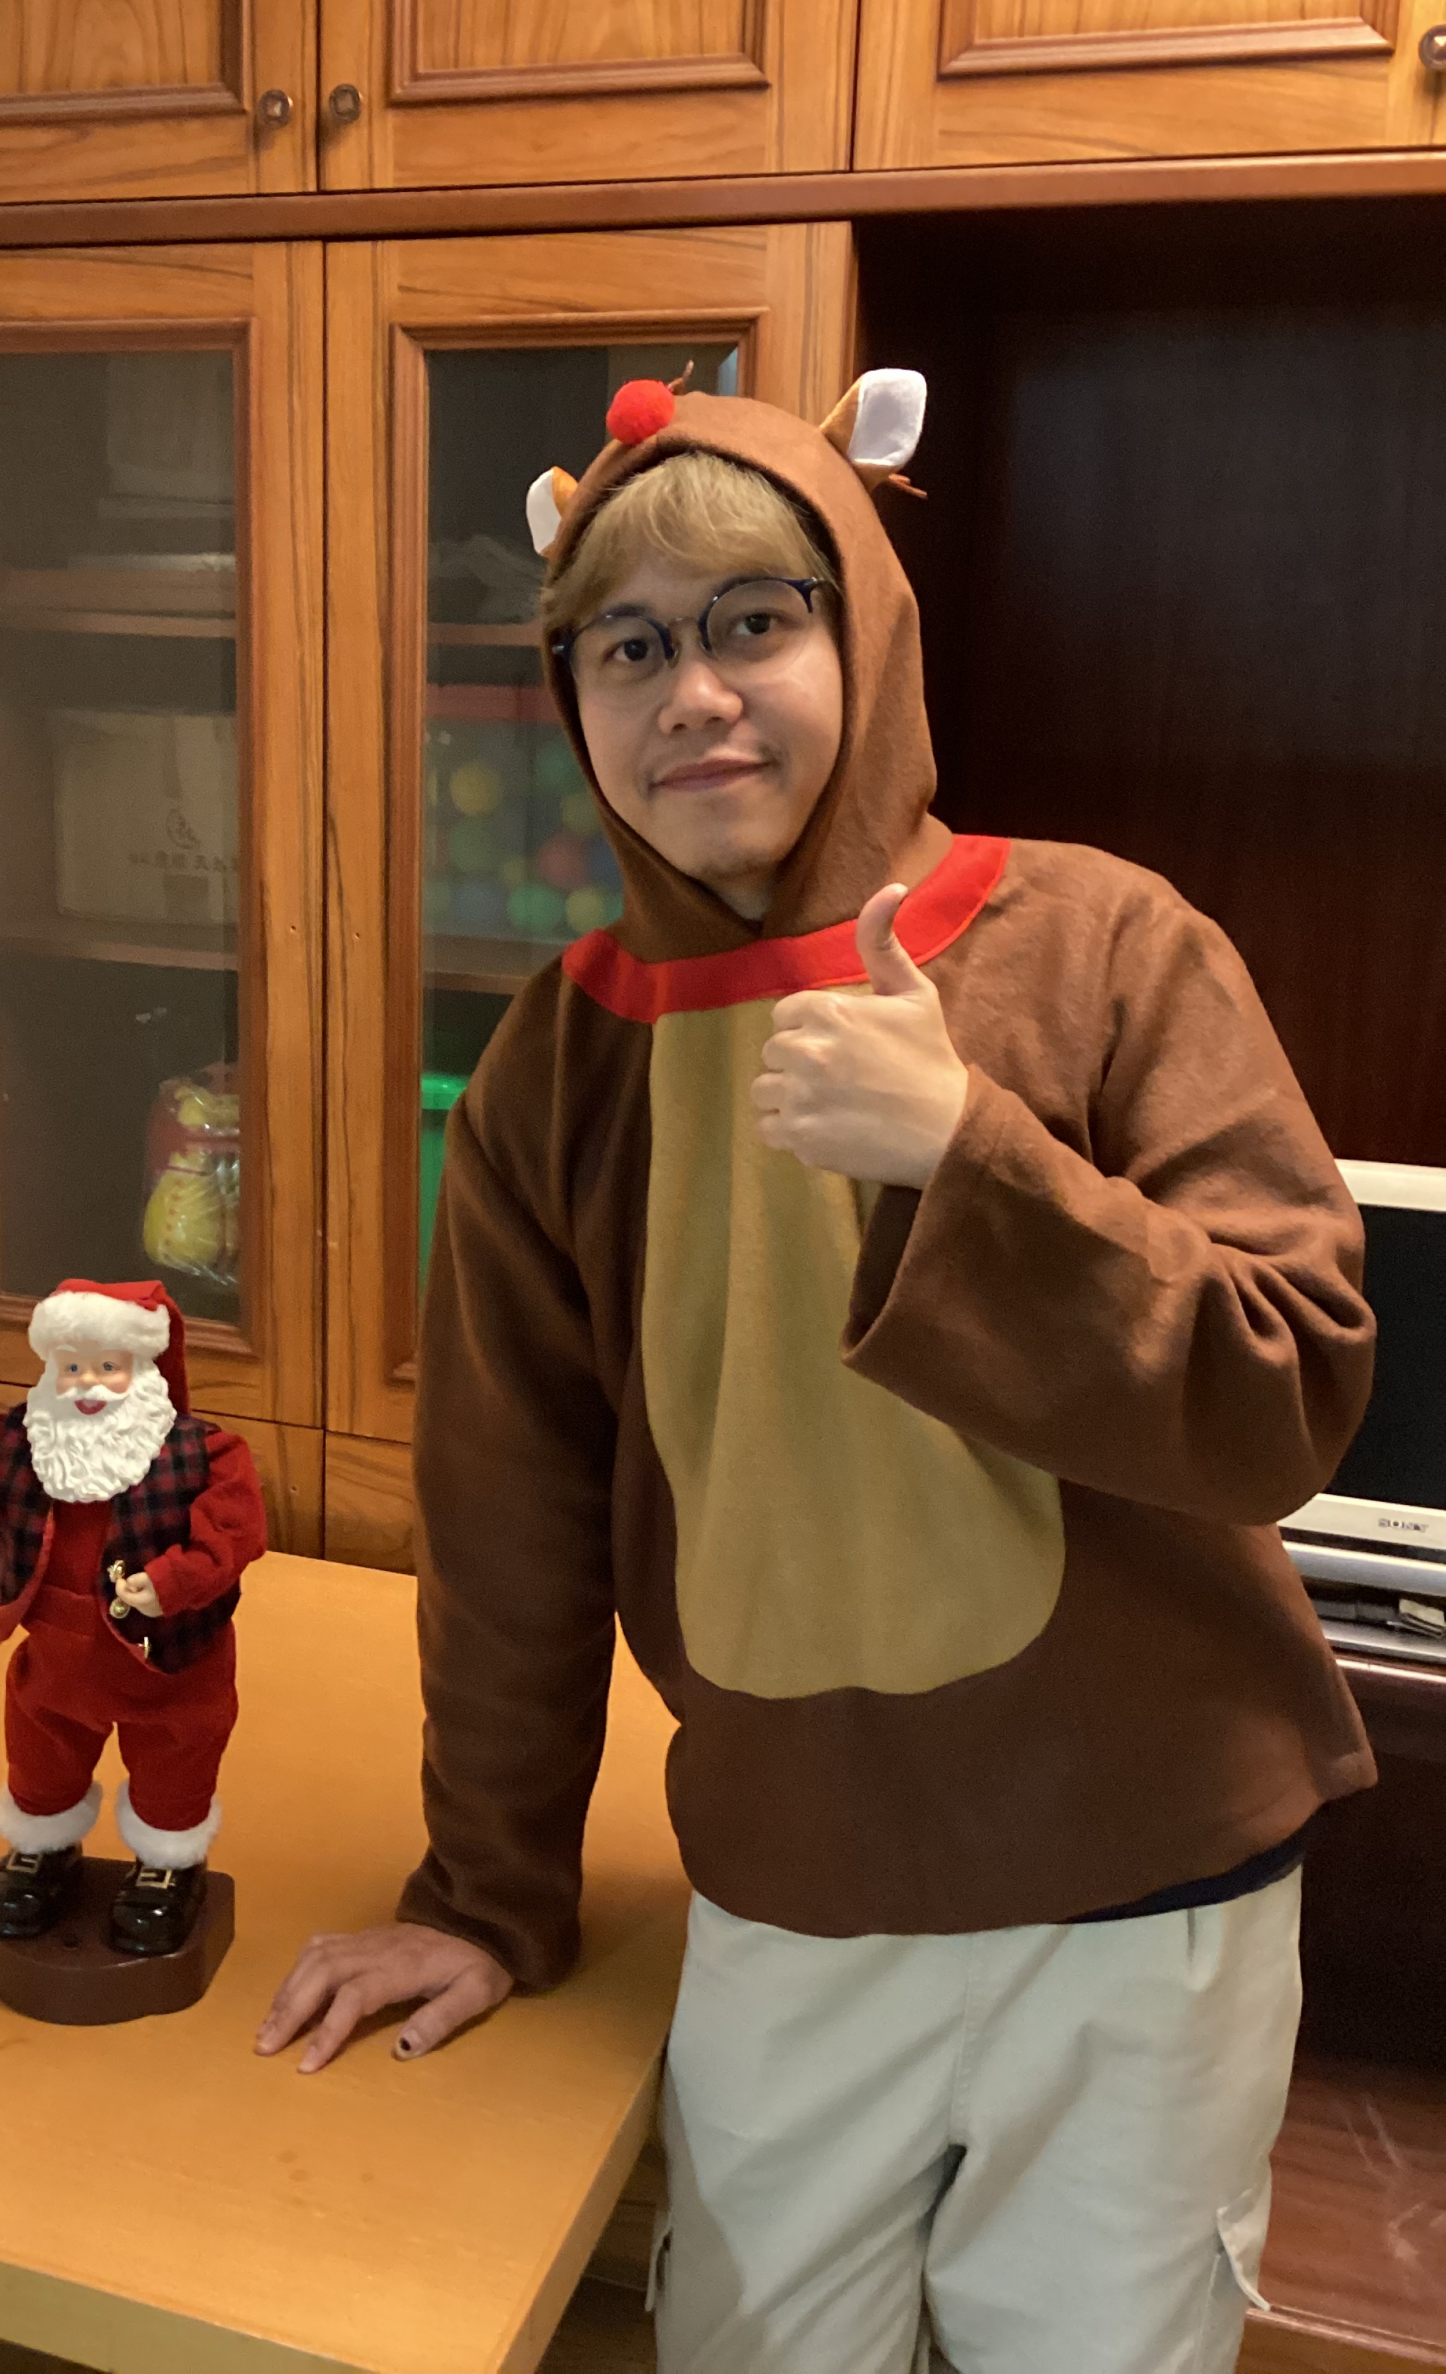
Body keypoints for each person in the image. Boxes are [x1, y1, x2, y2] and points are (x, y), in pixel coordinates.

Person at [257, 373, 1376, 2373]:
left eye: (754, 620)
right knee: (755, 2345)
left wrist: (971, 1155)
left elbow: (1288, 1392)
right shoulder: (558, 1061)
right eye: (627, 645)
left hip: (1149, 1895)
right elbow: (510, 1524)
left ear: (866, 631)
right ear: (573, 698)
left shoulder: (1106, 944)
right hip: (797, 1882)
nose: (692, 693)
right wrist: (487, 1894)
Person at [0, 1276, 265, 1958]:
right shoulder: (16, 1436)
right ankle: (44, 1849)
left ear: (143, 1366)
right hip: (57, 1656)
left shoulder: (204, 1450)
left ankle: (168, 1864)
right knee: (41, 1753)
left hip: (169, 1661)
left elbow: (237, 1528)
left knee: (176, 1759)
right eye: (71, 1367)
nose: (87, 1384)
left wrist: (177, 1579)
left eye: (107, 1366)